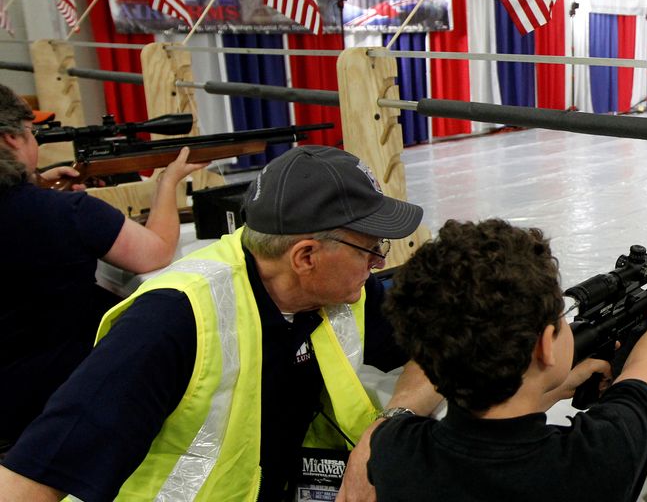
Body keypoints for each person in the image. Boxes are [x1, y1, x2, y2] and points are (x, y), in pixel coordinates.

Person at [0, 145, 442, 501]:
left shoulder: (340, 294)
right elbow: (31, 477)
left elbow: (444, 344)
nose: (380, 262)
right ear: (306, 256)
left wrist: (385, 431)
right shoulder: (172, 322)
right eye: (371, 248)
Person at [367, 219, 647, 502]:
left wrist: (554, 392)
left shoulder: (394, 449)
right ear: (545, 346)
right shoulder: (598, 457)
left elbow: (487, 442)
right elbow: (646, 370)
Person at [0, 82, 206, 453]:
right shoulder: (68, 214)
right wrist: (168, 182)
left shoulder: (53, 209)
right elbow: (156, 252)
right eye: (33, 134)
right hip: (55, 407)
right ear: (13, 139)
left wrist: (34, 185)